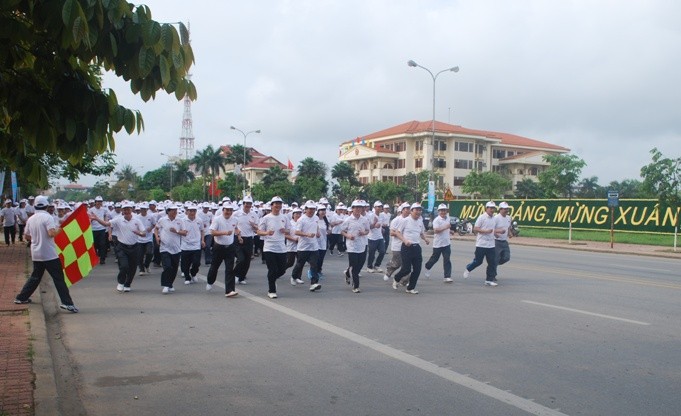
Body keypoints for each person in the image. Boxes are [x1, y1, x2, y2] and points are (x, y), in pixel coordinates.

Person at [14, 196, 78, 312]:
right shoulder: (48, 217)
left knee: (35, 276)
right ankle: (67, 303)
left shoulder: (31, 219)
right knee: (58, 278)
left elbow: (27, 236)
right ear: (47, 206)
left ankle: (21, 297)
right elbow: (51, 233)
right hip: (49, 254)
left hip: (36, 253)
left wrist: (37, 238)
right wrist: (60, 229)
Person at [103, 202, 146, 292]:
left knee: (132, 267)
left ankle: (127, 284)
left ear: (131, 210)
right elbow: (106, 224)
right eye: (125, 209)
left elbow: (144, 233)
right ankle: (121, 282)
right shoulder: (118, 220)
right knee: (124, 266)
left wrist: (139, 233)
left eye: (128, 209)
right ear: (122, 211)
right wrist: (95, 218)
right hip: (122, 247)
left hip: (134, 247)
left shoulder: (137, 220)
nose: (127, 211)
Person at [392, 203, 430, 294]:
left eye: (420, 210)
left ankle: (410, 288)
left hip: (416, 248)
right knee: (407, 269)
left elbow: (421, 233)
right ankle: (396, 278)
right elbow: (397, 233)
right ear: (411, 211)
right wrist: (405, 240)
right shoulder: (405, 220)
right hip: (406, 247)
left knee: (417, 269)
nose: (418, 212)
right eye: (416, 210)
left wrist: (425, 239)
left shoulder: (420, 221)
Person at [256, 197, 290, 299]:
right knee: (272, 269)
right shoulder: (266, 218)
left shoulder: (284, 217)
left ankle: (272, 279)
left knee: (282, 269)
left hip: (281, 247)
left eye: (280, 204)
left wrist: (285, 231)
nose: (278, 206)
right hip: (269, 247)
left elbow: (289, 230)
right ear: (272, 205)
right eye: (276, 204)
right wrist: (266, 232)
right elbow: (258, 231)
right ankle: (271, 290)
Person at [205, 202, 240, 297]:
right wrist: (224, 233)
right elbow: (212, 232)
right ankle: (210, 281)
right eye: (227, 210)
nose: (228, 212)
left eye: (230, 210)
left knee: (230, 269)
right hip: (219, 247)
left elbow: (236, 228)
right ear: (223, 210)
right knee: (214, 267)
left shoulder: (235, 219)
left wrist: (238, 234)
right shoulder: (217, 219)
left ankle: (229, 290)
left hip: (230, 247)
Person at [463, 201, 499, 287]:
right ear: (486, 208)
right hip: (481, 244)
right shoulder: (482, 217)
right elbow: (475, 228)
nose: (492, 210)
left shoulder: (494, 218)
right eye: (490, 208)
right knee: (478, 261)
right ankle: (468, 268)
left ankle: (489, 280)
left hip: (491, 244)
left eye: (493, 208)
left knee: (492, 263)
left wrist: (495, 234)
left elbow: (493, 229)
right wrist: (485, 231)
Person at [340, 200, 371, 293]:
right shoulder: (348, 220)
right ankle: (356, 286)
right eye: (356, 207)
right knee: (354, 265)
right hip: (351, 246)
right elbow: (342, 231)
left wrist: (363, 233)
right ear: (352, 209)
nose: (358, 209)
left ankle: (347, 273)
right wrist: (348, 236)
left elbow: (368, 230)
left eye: (360, 207)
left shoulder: (364, 219)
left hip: (362, 245)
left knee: (360, 265)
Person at [291, 201, 322, 292]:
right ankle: (293, 276)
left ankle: (313, 283)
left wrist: (318, 232)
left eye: (313, 209)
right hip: (303, 246)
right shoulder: (301, 219)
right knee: (300, 264)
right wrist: (306, 234)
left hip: (314, 246)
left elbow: (316, 226)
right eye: (310, 209)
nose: (311, 211)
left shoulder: (316, 218)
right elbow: (296, 232)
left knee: (314, 265)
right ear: (306, 209)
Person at [154, 204, 184, 294]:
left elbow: (185, 232)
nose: (175, 212)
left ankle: (170, 284)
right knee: (167, 267)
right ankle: (166, 285)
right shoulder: (162, 220)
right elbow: (156, 229)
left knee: (174, 268)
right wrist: (157, 237)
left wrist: (177, 231)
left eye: (176, 210)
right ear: (168, 211)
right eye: (172, 210)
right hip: (165, 248)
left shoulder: (180, 221)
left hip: (176, 248)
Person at [424, 203, 454, 283]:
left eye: (444, 210)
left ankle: (447, 276)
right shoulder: (436, 220)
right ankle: (427, 266)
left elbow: (446, 228)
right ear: (438, 211)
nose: (443, 212)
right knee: (435, 258)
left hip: (446, 243)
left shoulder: (447, 218)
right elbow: (436, 230)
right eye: (441, 211)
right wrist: (446, 227)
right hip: (438, 243)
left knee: (447, 259)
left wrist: (450, 231)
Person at [233, 196, 259, 285]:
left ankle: (241, 277)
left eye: (249, 204)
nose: (248, 205)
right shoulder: (236, 214)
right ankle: (234, 274)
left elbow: (257, 229)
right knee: (241, 259)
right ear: (243, 204)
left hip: (249, 239)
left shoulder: (254, 215)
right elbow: (232, 226)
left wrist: (254, 226)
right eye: (246, 203)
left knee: (247, 260)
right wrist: (238, 234)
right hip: (239, 238)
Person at [383, 202, 410, 283]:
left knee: (407, 264)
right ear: (402, 210)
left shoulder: (410, 219)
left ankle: (404, 280)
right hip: (397, 246)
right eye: (407, 209)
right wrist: (400, 234)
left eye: (409, 209)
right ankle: (389, 269)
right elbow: (391, 233)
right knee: (397, 263)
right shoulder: (396, 220)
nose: (408, 211)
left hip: (407, 246)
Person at [180, 204, 205, 285]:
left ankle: (193, 273)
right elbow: (180, 231)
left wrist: (202, 240)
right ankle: (187, 277)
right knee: (185, 264)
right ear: (187, 211)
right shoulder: (182, 220)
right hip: (185, 245)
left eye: (194, 211)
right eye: (190, 211)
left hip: (196, 245)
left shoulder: (199, 220)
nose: (192, 212)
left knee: (196, 263)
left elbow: (202, 230)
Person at [493, 201, 513, 280]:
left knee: (506, 258)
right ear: (500, 209)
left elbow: (508, 227)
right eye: (505, 209)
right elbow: (491, 229)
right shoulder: (496, 218)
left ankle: (493, 265)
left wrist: (510, 233)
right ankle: (493, 274)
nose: (506, 210)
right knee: (496, 258)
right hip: (496, 241)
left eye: (507, 209)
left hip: (504, 241)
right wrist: (496, 233)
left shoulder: (508, 218)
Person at [88, 196, 110, 264]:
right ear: (95, 202)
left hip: (102, 229)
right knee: (95, 244)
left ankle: (102, 259)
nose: (99, 203)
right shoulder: (91, 210)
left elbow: (106, 219)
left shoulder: (104, 210)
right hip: (93, 229)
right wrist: (92, 219)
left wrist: (106, 225)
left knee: (102, 244)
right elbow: (89, 219)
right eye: (97, 201)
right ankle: (95, 257)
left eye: (100, 202)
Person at [365, 201, 386, 273]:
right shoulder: (371, 216)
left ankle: (377, 265)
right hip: (372, 237)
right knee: (372, 253)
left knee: (382, 251)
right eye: (378, 206)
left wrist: (382, 229)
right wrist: (374, 224)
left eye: (381, 206)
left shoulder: (382, 215)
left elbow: (381, 225)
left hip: (380, 237)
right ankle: (369, 266)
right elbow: (368, 227)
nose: (380, 208)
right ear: (374, 207)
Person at [136, 203, 156, 276]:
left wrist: (150, 228)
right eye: (141, 209)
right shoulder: (137, 217)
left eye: (144, 209)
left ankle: (146, 265)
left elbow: (154, 224)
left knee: (149, 253)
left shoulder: (151, 216)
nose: (143, 210)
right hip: (139, 239)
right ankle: (141, 269)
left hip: (148, 238)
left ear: (147, 210)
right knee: (140, 255)